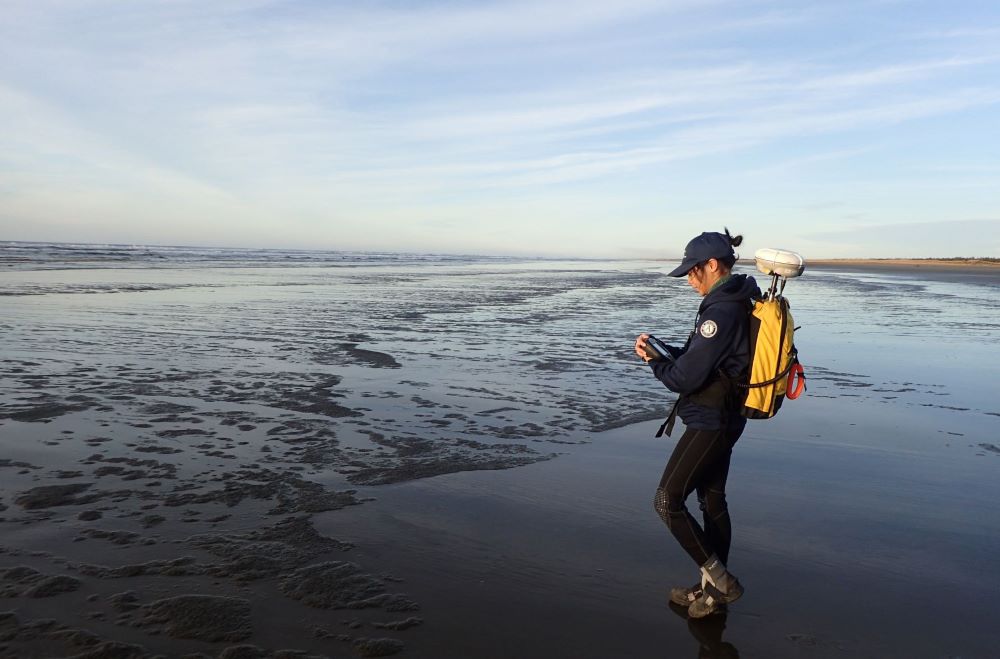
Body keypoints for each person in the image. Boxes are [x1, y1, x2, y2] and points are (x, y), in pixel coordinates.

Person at [634, 228, 760, 618]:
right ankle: (709, 592)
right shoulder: (735, 299)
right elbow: (702, 362)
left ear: (712, 265)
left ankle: (721, 582)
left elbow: (685, 378)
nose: (689, 278)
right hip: (728, 414)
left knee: (666, 500)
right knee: (711, 500)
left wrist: (656, 363)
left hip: (712, 420)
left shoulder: (720, 311)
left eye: (693, 270)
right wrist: (667, 351)